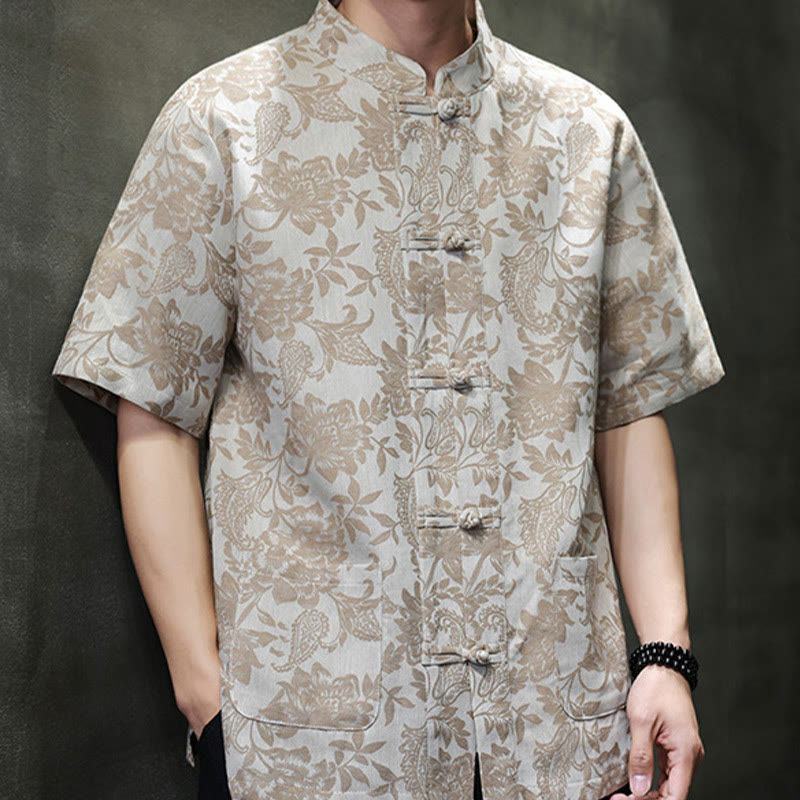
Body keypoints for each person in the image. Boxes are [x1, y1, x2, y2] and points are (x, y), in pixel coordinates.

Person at [51, 0, 724, 798]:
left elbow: (629, 407)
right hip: (311, 747)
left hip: (560, 738)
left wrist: (665, 657)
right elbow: (154, 408)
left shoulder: (587, 132)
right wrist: (208, 703)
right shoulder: (221, 120)